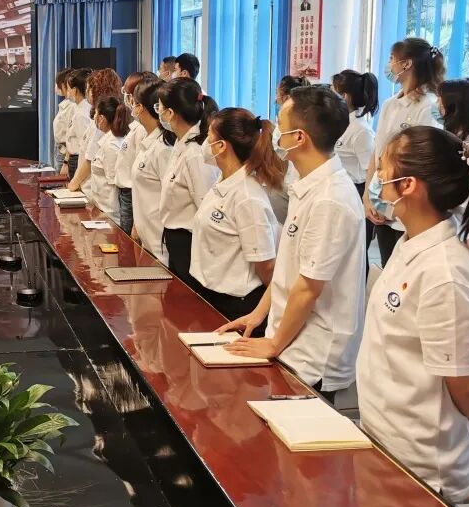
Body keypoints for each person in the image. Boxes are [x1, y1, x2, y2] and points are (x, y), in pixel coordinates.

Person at [357, 126, 469, 503]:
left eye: (384, 169)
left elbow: (461, 380)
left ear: (408, 186)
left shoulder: (446, 273)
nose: (377, 177)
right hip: (386, 438)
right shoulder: (411, 243)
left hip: (422, 466)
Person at [220, 87, 365, 403]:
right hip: (289, 336)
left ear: (300, 138)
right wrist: (258, 314)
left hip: (312, 351)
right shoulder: (306, 184)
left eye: (281, 125)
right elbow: (290, 267)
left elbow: (309, 287)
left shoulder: (330, 199)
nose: (275, 132)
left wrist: (273, 344)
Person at [190, 109, 283, 333]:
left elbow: (267, 266)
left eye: (209, 137)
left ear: (221, 146)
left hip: (236, 305)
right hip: (209, 293)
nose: (205, 144)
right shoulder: (224, 182)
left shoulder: (248, 197)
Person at [365, 38, 445, 266]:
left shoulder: (429, 106)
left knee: (407, 271)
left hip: (408, 207)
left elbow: (423, 164)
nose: (389, 64)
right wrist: (368, 196)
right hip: (381, 201)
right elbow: (377, 151)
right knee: (387, 267)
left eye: (392, 59)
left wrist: (395, 201)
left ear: (406, 64)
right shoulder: (390, 104)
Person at [155, 78, 220, 290]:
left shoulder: (195, 153)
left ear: (170, 113)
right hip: (175, 240)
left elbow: (205, 205)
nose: (158, 112)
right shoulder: (181, 143)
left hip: (189, 242)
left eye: (159, 107)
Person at [329, 70, 379, 247]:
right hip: (341, 189)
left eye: (332, 91)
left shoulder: (361, 130)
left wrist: (369, 201)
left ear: (345, 97)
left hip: (358, 192)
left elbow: (372, 171)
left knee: (356, 249)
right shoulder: (342, 123)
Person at [129, 77, 172, 264]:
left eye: (134, 102)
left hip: (160, 246)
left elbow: (169, 199)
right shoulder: (147, 142)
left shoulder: (164, 148)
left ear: (141, 108)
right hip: (146, 239)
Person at [68, 69, 122, 194]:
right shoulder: (100, 116)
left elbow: (89, 159)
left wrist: (74, 183)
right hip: (90, 185)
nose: (86, 92)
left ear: (98, 90)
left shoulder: (102, 122)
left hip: (93, 187)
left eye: (89, 88)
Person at [115, 72, 156, 233]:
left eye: (129, 94)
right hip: (127, 193)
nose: (127, 98)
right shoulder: (137, 126)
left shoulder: (143, 129)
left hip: (133, 194)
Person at [87, 95, 131, 223]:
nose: (94, 117)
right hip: (101, 210)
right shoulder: (108, 140)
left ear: (102, 118)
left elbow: (115, 189)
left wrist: (108, 216)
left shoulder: (111, 145)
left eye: (96, 114)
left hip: (109, 215)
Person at [62, 69, 93, 181]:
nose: (67, 91)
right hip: (74, 158)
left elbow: (84, 145)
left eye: (68, 88)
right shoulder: (78, 108)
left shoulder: (82, 113)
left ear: (75, 90)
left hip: (78, 159)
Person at [53, 68, 76, 171]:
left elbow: (71, 136)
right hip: (60, 149)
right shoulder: (66, 104)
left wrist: (66, 161)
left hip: (66, 151)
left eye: (57, 84)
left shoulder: (72, 106)